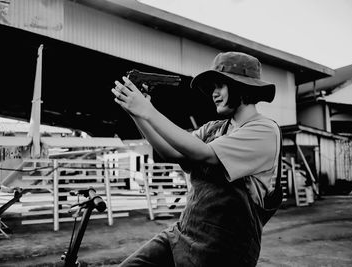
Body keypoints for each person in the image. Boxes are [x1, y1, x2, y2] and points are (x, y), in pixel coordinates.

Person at [111, 51, 282, 267]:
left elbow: (204, 154)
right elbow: (171, 153)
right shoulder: (213, 129)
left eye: (220, 86)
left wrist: (148, 110)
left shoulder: (264, 130)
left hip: (225, 249)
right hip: (183, 233)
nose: (214, 93)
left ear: (242, 87)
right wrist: (136, 113)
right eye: (212, 88)